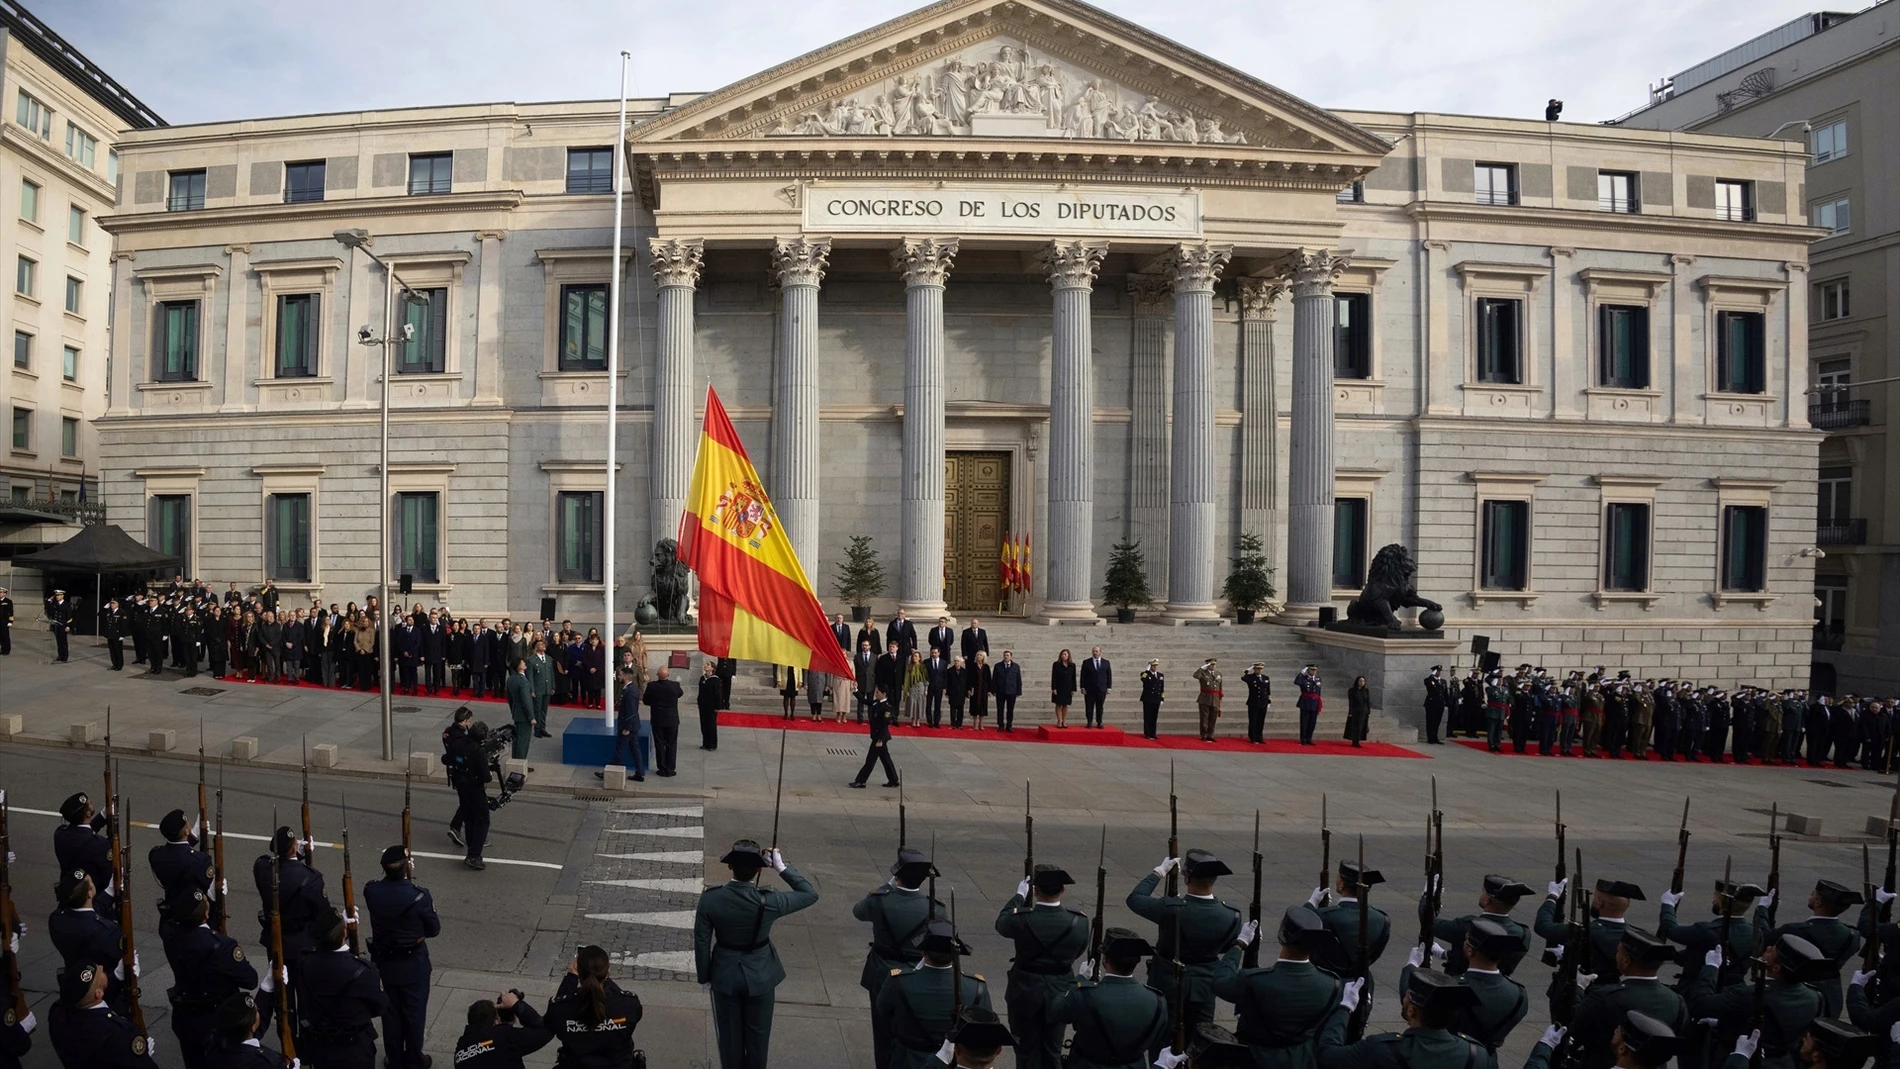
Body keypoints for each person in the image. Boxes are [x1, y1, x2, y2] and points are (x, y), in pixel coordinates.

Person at [694, 840, 820, 1069]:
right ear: (760, 870)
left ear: (730, 866)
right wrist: (782, 867)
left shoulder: (710, 899)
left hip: (725, 973)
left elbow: (702, 941)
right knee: (758, 1039)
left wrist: (704, 977)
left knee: (729, 1038)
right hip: (761, 974)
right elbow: (809, 894)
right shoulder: (770, 901)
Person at [1128, 850, 1243, 1039]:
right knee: (1201, 1038)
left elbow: (1135, 899)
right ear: (1214, 880)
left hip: (1167, 980)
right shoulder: (1232, 914)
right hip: (1205, 986)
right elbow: (1224, 947)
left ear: (1187, 878)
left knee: (1163, 1038)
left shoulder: (1169, 908)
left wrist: (1159, 872)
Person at [1211, 904, 1341, 1066]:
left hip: (1255, 1059)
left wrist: (1239, 945)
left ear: (1281, 938)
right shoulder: (1332, 984)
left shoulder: (1254, 980)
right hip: (1301, 1061)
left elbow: (1220, 982)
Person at [855, 847, 946, 1068]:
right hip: (916, 972)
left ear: (897, 876)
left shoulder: (879, 900)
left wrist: (886, 887)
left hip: (881, 971)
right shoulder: (936, 908)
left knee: (882, 1033)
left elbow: (859, 911)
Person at [996, 864, 1091, 1069]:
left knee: (1025, 1049)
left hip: (1024, 989)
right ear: (1062, 890)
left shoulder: (1020, 918)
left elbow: (1001, 924)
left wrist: (1018, 896)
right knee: (1053, 1049)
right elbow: (1077, 951)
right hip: (1059, 989)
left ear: (1035, 891)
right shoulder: (1080, 922)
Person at [1694, 933, 1827, 1069]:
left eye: (1771, 951)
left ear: (1776, 967)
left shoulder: (1752, 994)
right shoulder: (1816, 997)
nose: (1767, 948)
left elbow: (1700, 1004)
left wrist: (1711, 967)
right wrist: (1722, 1022)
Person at [1313, 966, 1486, 1069]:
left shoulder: (1380, 1048)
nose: (1404, 998)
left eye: (1406, 996)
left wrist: (1345, 1008)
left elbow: (1328, 1055)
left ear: (1411, 1011)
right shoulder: (1477, 1054)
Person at [158, 889, 256, 1069]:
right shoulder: (222, 946)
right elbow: (250, 980)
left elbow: (168, 923)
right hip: (216, 1020)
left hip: (186, 1017)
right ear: (206, 914)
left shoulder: (170, 935)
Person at [877, 921, 994, 1069]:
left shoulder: (899, 981)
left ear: (923, 952)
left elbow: (883, 1010)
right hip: (954, 1061)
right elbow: (984, 1028)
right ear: (956, 955)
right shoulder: (976, 987)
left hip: (908, 1060)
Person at [1569, 927, 1689, 1069]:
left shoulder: (1605, 997)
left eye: (1618, 951)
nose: (1616, 955)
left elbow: (1571, 1025)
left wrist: (1578, 988)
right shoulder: (1676, 1000)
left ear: (1626, 961)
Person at [1051, 927, 1170, 1069]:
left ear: (1104, 960)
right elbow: (1156, 1038)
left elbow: (1056, 1011)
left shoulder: (1083, 994)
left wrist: (1079, 979)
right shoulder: (1157, 1000)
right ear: (1137, 961)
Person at [365, 845, 440, 1069]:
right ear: (407, 867)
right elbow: (434, 929)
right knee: (414, 1015)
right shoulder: (420, 896)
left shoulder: (372, 892)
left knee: (391, 1015)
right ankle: (415, 1059)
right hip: (413, 964)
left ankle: (395, 1059)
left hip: (385, 963)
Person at [291, 908, 387, 1069]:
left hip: (321, 1047)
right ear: (345, 933)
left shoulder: (304, 961)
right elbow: (380, 1006)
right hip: (354, 1050)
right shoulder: (364, 970)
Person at [1756, 879, 1864, 1017]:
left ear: (1818, 903)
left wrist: (1763, 909)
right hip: (1831, 997)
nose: (1810, 896)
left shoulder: (1794, 930)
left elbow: (1762, 939)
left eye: (1813, 894)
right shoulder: (1853, 935)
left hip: (1797, 995)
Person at [1310, 861, 1391, 1042]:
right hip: (1361, 983)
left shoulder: (1324, 916)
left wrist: (1310, 904)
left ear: (1341, 884)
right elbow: (1374, 955)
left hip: (1326, 986)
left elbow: (1298, 931)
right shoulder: (1382, 919)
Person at [545, 946, 644, 1069]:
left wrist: (571, 977)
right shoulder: (629, 1004)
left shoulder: (560, 1008)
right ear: (608, 971)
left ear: (578, 971)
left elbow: (553, 1021)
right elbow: (623, 1004)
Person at [47, 961, 158, 1067]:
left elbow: (91, 997)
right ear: (99, 994)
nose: (101, 967)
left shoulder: (57, 1012)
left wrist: (117, 976)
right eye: (100, 972)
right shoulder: (118, 1033)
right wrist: (140, 1058)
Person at [1429, 875, 1534, 977]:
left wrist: (1428, 895)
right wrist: (1445, 954)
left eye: (1483, 891)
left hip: (1462, 985)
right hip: (1500, 985)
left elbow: (1429, 921)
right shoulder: (1524, 934)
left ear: (1487, 900)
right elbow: (1489, 954)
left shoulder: (1470, 926)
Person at [453, 990, 554, 1069]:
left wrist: (505, 1025)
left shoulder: (461, 1049)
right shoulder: (503, 1036)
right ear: (496, 1021)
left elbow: (490, 1052)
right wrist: (516, 1005)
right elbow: (546, 1029)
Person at [447, 722, 494, 869]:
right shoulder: (478, 750)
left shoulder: (459, 742)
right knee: (482, 820)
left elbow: (446, 758)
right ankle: (474, 855)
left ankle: (471, 851)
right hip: (474, 788)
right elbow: (486, 777)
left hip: (461, 785)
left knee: (469, 818)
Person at [206, 992, 289, 1068]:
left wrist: (266, 990)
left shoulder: (213, 1046)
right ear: (253, 1026)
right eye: (257, 1011)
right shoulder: (269, 1063)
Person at [849, 694, 901, 788]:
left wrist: (880, 740)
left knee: (870, 760)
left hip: (880, 737)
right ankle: (893, 779)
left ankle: (861, 781)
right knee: (885, 758)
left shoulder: (886, 707)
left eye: (878, 692)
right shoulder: (877, 702)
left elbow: (884, 725)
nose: (876, 693)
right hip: (877, 736)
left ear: (884, 694)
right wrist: (856, 692)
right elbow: (865, 701)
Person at [644, 664, 685, 777]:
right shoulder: (675, 685)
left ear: (657, 675)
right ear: (668, 675)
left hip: (658, 719)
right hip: (672, 719)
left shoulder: (652, 686)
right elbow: (680, 693)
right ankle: (670, 768)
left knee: (659, 744)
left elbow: (646, 701)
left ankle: (662, 768)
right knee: (672, 744)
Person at [503, 659, 535, 763]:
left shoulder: (511, 679)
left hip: (516, 712)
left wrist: (513, 710)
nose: (524, 663)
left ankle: (515, 761)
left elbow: (509, 698)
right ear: (519, 666)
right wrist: (531, 717)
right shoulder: (523, 681)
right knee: (523, 741)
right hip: (524, 715)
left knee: (517, 739)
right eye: (522, 662)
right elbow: (526, 701)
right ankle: (520, 764)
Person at [526, 640, 554, 737]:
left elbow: (551, 673)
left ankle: (543, 727)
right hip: (538, 688)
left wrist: (552, 686)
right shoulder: (531, 660)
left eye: (543, 644)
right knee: (537, 709)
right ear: (536, 648)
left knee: (544, 709)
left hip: (547, 688)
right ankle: (537, 729)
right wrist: (532, 690)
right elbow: (530, 676)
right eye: (540, 645)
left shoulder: (549, 659)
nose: (542, 646)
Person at [1241, 663, 1271, 745]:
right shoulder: (1250, 677)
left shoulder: (1265, 678)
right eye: (1258, 669)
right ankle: (1253, 737)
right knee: (1253, 720)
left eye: (1261, 669)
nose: (1259, 670)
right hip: (1254, 702)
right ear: (1254, 669)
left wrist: (1269, 700)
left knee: (1261, 721)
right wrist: (1248, 670)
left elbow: (1268, 690)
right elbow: (1243, 678)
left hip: (1263, 702)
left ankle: (1259, 737)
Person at [994, 650, 1023, 732]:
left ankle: (1009, 725)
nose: (1006, 657)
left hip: (1012, 691)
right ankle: (1000, 725)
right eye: (1005, 655)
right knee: (1000, 709)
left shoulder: (1016, 666)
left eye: (1007, 655)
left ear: (1011, 657)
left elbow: (1018, 679)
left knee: (1010, 709)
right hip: (1000, 691)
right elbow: (994, 679)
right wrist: (993, 690)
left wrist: (1018, 691)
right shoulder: (998, 666)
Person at [1050, 650, 1077, 730]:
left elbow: (1073, 678)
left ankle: (1064, 721)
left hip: (1068, 688)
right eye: (1062, 654)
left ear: (1068, 655)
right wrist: (1054, 688)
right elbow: (1053, 677)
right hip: (1059, 687)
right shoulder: (1056, 664)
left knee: (1065, 705)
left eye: (1065, 654)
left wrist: (1073, 689)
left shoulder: (1072, 665)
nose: (1063, 655)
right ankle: (1059, 721)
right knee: (1058, 704)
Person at [1296, 664, 1322, 746]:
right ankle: (1303, 739)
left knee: (1312, 723)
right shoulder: (1303, 678)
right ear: (1308, 670)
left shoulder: (1318, 679)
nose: (1314, 672)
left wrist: (1319, 704)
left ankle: (1309, 738)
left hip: (1314, 703)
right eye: (1312, 670)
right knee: (1304, 722)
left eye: (1315, 670)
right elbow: (1297, 682)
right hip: (1305, 703)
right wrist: (1301, 673)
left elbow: (1318, 692)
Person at [699, 659, 723, 749]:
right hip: (703, 705)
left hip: (711, 706)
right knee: (704, 724)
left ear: (712, 668)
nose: (706, 665)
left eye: (708, 664)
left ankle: (712, 744)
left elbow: (718, 694)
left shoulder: (715, 680)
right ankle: (705, 743)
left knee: (711, 725)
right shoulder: (702, 678)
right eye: (706, 664)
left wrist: (717, 706)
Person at [924, 647, 950, 728]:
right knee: (928, 704)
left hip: (939, 686)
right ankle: (929, 721)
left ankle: (936, 721)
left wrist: (945, 687)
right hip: (929, 686)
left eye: (935, 652)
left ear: (939, 653)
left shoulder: (943, 662)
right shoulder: (926, 662)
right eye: (932, 652)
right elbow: (924, 675)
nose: (934, 654)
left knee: (938, 704)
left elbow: (945, 676)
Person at [1140, 660, 1166, 739]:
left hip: (1156, 698)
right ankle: (1147, 733)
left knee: (1154, 717)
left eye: (1156, 666)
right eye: (1153, 666)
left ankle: (1153, 733)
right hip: (1148, 698)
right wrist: (1147, 670)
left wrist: (1162, 698)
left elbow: (1162, 688)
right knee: (1147, 716)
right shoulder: (1146, 674)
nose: (1155, 667)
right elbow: (1143, 679)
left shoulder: (1160, 675)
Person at [1423, 667, 1449, 745]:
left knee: (1437, 721)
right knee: (1430, 721)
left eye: (1439, 671)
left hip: (1440, 704)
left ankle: (1435, 737)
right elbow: (1428, 684)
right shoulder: (1429, 680)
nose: (1439, 673)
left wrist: (1447, 702)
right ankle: (1430, 738)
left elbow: (1445, 693)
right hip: (1431, 704)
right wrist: (1431, 676)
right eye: (1437, 671)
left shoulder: (1443, 681)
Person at [854, 640, 878, 724]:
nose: (865, 647)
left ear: (870, 646)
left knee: (870, 701)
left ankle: (870, 718)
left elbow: (876, 670)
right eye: (863, 645)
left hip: (871, 682)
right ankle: (860, 718)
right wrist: (855, 680)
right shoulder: (857, 656)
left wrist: (876, 682)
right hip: (860, 681)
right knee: (860, 701)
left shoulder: (874, 657)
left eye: (866, 645)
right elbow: (855, 669)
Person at [968, 651, 993, 731]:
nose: (979, 656)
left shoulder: (986, 667)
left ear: (983, 657)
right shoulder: (972, 666)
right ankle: (975, 724)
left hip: (983, 689)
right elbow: (969, 678)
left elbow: (989, 679)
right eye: (978, 655)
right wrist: (969, 689)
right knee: (974, 705)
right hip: (974, 689)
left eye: (980, 655)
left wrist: (989, 690)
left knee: (983, 706)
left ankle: (981, 724)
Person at [1345, 677, 1371, 748]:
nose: (1362, 682)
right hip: (1355, 710)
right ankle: (1354, 741)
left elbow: (1368, 701)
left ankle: (1358, 740)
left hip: (1363, 711)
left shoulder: (1366, 690)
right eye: (1360, 681)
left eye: (1363, 681)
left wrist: (1368, 710)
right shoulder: (1352, 690)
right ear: (1357, 681)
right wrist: (1350, 712)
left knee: (1361, 726)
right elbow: (1351, 702)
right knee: (1355, 726)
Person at [903, 651, 927, 728]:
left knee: (920, 703)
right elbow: (906, 678)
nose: (915, 658)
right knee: (912, 703)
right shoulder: (909, 666)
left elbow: (926, 678)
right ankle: (913, 719)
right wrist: (906, 688)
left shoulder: (922, 666)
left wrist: (926, 689)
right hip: (912, 686)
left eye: (916, 656)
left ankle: (918, 720)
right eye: (913, 656)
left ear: (919, 658)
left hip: (920, 686)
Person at [46, 588, 71, 662]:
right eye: (56, 595)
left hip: (63, 625)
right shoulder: (54, 604)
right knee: (58, 641)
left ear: (62, 596)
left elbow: (69, 616)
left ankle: (65, 656)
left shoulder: (66, 604)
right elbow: (49, 611)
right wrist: (49, 601)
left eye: (59, 595)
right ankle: (60, 655)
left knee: (63, 641)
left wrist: (68, 625)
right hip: (56, 625)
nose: (57, 597)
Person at [947, 655, 969, 729]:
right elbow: (947, 682)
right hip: (952, 692)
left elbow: (967, 682)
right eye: (955, 661)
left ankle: (959, 724)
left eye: (958, 661)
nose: (956, 662)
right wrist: (947, 692)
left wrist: (967, 691)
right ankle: (953, 724)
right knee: (953, 709)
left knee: (960, 709)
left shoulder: (965, 671)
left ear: (961, 662)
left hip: (961, 692)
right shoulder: (950, 671)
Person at [0, 585, 11, 655]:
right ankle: (2, 649)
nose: (0, 594)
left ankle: (6, 650)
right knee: (0, 636)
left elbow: (11, 612)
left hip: (5, 621)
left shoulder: (8, 601)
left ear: (5, 593)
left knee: (5, 636)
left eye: (1, 592)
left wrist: (10, 621)